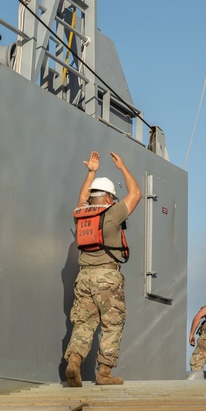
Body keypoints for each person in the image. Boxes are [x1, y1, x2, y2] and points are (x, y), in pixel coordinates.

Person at [64, 150, 141, 387]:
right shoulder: (112, 213)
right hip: (107, 277)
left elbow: (81, 197)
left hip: (84, 278)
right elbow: (136, 193)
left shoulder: (80, 214)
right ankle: (104, 372)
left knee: (84, 323)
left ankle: (74, 362)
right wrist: (123, 167)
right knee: (112, 323)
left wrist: (91, 173)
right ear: (109, 198)